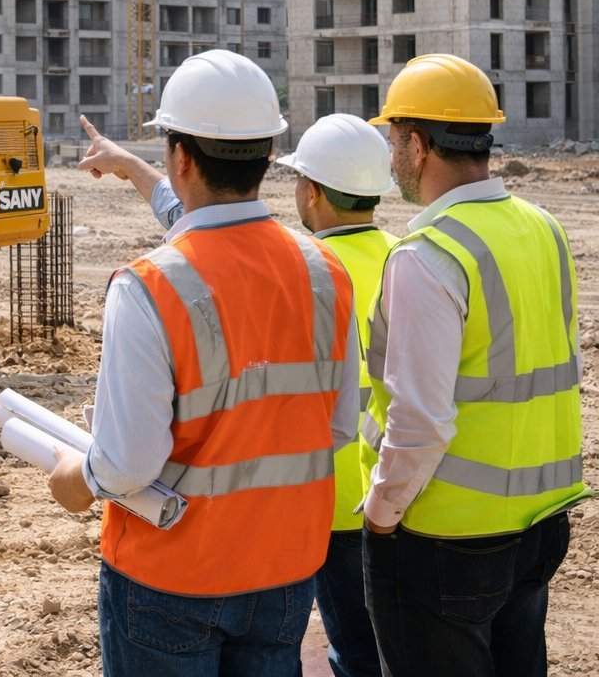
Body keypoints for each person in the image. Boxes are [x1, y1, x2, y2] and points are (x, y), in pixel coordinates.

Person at [48, 49, 357, 676]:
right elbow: (337, 426)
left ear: (181, 157)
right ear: (269, 154)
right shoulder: (325, 273)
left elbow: (127, 461)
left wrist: (74, 480)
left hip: (171, 580)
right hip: (285, 570)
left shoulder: (148, 287)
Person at [362, 54, 587, 676]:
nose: (390, 155)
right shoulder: (544, 228)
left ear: (418, 143)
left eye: (392, 139)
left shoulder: (427, 256)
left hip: (444, 540)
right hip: (538, 524)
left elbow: (420, 421)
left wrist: (381, 516)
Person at [276, 114, 397, 677]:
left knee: (353, 649)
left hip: (330, 499)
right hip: (402, 494)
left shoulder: (306, 273)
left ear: (314, 191)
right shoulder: (408, 254)